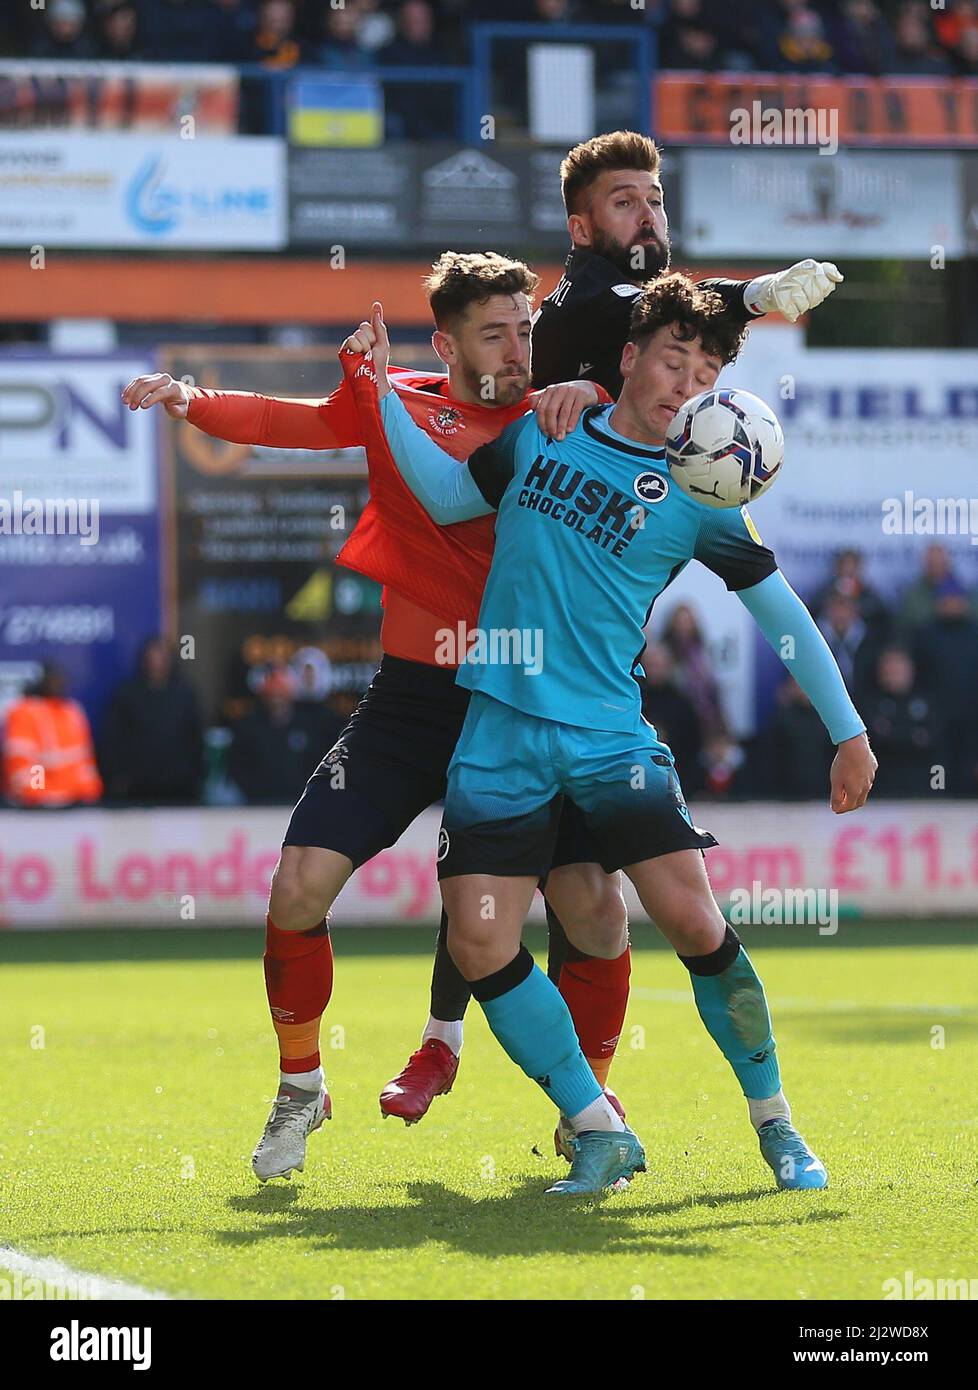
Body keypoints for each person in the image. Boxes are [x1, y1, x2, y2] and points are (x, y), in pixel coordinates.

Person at [121, 253, 627, 1182]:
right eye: (494, 332)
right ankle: (301, 1088)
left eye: (525, 328)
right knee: (298, 886)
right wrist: (190, 396)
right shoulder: (405, 397)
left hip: (526, 700)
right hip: (411, 698)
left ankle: (588, 1106)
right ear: (446, 343)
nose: (517, 347)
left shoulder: (570, 416)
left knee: (592, 909)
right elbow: (294, 422)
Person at [369, 273, 877, 1194]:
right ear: (632, 359)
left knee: (692, 920)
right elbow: (446, 499)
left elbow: (785, 617)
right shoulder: (546, 428)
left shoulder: (701, 490)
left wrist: (849, 732)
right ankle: (597, 1126)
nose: (685, 380)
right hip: (498, 729)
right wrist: (378, 393)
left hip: (609, 735)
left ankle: (778, 1126)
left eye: (706, 368)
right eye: (673, 357)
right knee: (481, 939)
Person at [530, 129, 843, 398]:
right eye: (624, 203)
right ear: (581, 230)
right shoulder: (589, 295)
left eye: (655, 201)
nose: (647, 217)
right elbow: (674, 307)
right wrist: (760, 293)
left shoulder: (590, 290)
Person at [99, 638, 204, 803]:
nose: (159, 662)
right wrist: (118, 777)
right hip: (138, 786)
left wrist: (196, 776)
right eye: (154, 657)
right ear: (144, 660)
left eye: (164, 657)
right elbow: (113, 738)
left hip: (179, 786)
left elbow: (195, 737)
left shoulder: (184, 693)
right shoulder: (127, 694)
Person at [2, 664, 102, 808]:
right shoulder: (25, 712)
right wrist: (40, 794)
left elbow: (83, 760)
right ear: (41, 681)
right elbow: (24, 761)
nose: (58, 683)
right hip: (34, 807)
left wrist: (86, 792)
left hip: (74, 803)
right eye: (52, 679)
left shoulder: (72, 711)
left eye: (60, 679)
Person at [861, 648, 941, 799]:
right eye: (889, 669)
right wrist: (912, 736)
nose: (894, 674)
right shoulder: (869, 705)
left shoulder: (928, 703)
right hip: (880, 795)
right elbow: (875, 741)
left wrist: (939, 788)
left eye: (898, 669)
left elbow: (934, 742)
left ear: (911, 669)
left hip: (924, 792)